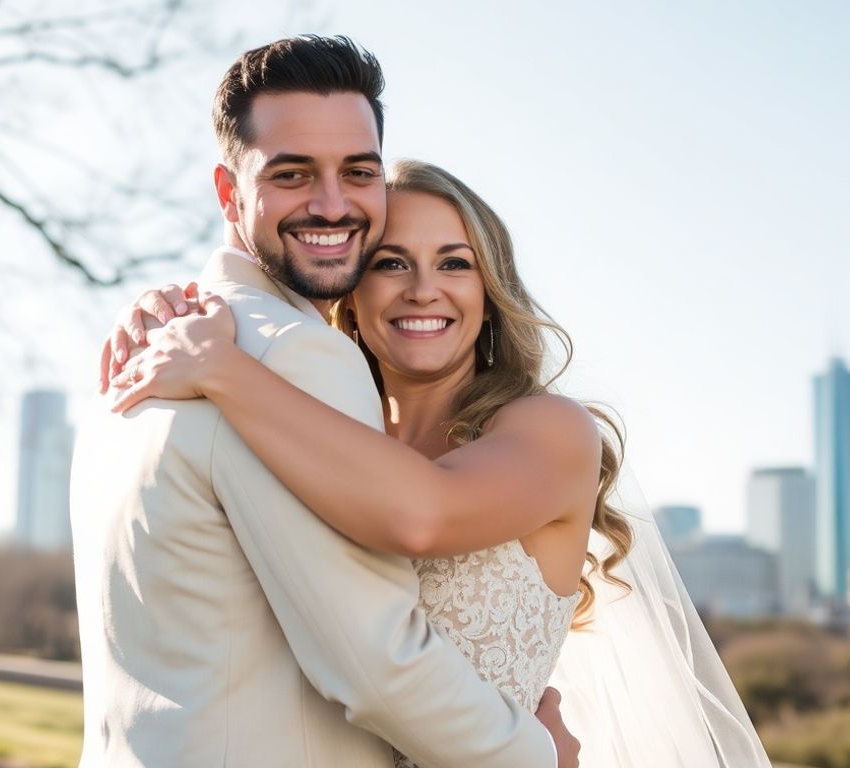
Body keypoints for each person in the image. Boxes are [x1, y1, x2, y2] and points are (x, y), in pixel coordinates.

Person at [102, 162, 772, 766]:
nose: (424, 289)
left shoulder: (553, 431)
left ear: (489, 294)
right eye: (392, 263)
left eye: (454, 264)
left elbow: (423, 515)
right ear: (352, 297)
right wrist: (169, 308)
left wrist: (222, 368)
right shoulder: (323, 429)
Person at [70, 36, 574, 768]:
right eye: (294, 173)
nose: (333, 204)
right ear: (228, 192)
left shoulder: (163, 349)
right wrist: (540, 757)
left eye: (358, 172)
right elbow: (377, 666)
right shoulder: (279, 356)